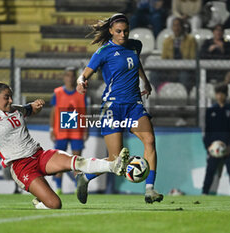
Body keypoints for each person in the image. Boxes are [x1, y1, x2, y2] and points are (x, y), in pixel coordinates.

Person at [0, 62, 130, 209]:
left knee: (76, 161)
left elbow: (28, 109)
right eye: (6, 97)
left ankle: (113, 165)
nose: (10, 100)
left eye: (11, 96)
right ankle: (40, 202)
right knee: (55, 204)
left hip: (39, 155)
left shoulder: (14, 109)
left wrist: (36, 105)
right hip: (21, 167)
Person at [75, 13, 163, 204]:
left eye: (126, 31)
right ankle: (85, 177)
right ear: (111, 32)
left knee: (149, 140)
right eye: (119, 31)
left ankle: (149, 190)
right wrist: (81, 82)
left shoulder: (135, 46)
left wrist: (145, 82)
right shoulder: (103, 52)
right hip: (112, 107)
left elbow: (135, 62)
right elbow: (84, 74)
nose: (123, 35)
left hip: (134, 105)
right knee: (116, 160)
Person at [50, 67, 88, 194]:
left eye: (73, 76)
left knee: (77, 159)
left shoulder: (81, 92)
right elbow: (54, 112)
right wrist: (51, 129)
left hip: (76, 130)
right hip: (61, 131)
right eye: (68, 75)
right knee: (59, 159)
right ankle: (59, 188)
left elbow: (84, 112)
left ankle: (78, 187)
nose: (70, 78)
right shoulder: (58, 92)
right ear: (64, 77)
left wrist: (85, 128)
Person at [202, 83, 230, 195]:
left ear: (226, 95)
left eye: (222, 94)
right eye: (218, 93)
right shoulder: (210, 110)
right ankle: (204, 193)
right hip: (214, 148)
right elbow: (206, 131)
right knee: (210, 171)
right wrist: (208, 146)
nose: (220, 96)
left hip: (227, 148)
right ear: (215, 95)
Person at [158, 17, 196, 93]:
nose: (176, 28)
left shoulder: (190, 40)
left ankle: (185, 97)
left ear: (182, 27)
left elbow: (192, 58)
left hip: (185, 69)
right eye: (174, 25)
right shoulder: (167, 41)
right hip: (170, 69)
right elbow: (164, 58)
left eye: (178, 25)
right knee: (154, 75)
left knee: (184, 76)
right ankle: (157, 95)